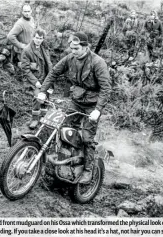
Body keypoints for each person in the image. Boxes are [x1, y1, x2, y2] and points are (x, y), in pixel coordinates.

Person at [37, 32, 112, 183]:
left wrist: (98, 110)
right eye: (71, 48)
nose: (73, 51)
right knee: (63, 128)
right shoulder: (70, 58)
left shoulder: (98, 63)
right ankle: (65, 159)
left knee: (86, 137)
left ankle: (88, 169)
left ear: (85, 47)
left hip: (92, 105)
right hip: (76, 100)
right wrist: (43, 91)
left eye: (76, 48)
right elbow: (54, 72)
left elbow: (106, 88)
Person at [21, 28, 53, 130]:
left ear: (43, 39)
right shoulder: (27, 50)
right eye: (37, 38)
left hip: (46, 78)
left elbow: (49, 63)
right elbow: (25, 69)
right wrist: (35, 82)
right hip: (36, 79)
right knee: (38, 97)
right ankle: (35, 119)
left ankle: (44, 116)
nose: (38, 40)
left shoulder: (45, 48)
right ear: (33, 37)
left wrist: (51, 78)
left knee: (47, 97)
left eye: (40, 38)